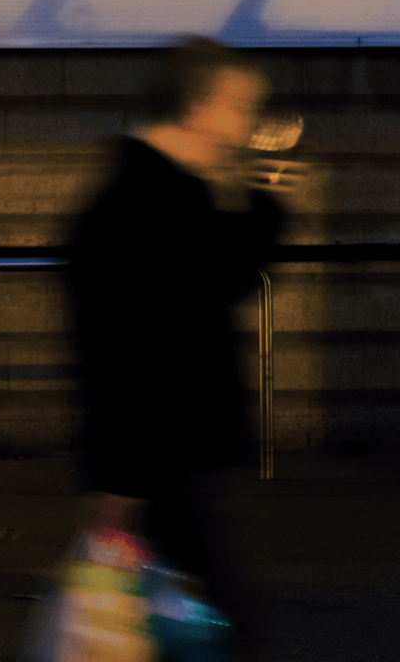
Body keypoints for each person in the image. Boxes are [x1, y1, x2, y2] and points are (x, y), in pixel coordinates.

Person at [65, 37, 286, 656]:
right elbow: (122, 360)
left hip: (173, 457)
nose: (247, 126)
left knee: (180, 627)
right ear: (199, 107)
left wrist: (254, 198)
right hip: (163, 460)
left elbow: (226, 275)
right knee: (223, 626)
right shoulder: (136, 212)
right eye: (240, 108)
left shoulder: (174, 199)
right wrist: (120, 482)